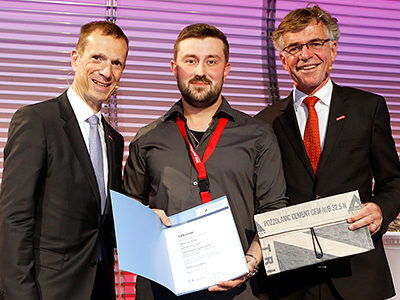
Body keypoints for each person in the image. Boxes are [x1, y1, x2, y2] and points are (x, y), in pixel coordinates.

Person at [123, 23, 287, 300]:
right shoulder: (147, 138)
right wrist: (142, 218)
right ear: (174, 68)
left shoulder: (257, 135)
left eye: (211, 61)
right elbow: (129, 207)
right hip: (161, 290)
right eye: (191, 61)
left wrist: (251, 261)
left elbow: (274, 210)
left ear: (226, 68)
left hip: (238, 290)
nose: (200, 71)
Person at [255, 5, 400, 300]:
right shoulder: (263, 123)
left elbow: (394, 182)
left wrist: (381, 210)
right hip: (290, 283)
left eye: (315, 43)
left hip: (358, 276)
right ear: (283, 59)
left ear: (332, 50)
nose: (305, 54)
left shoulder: (368, 108)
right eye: (294, 47)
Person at [0, 21, 128, 300]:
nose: (107, 72)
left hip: (101, 290)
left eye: (117, 63)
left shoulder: (113, 140)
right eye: (97, 58)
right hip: (47, 291)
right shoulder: (36, 121)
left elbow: (103, 222)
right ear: (75, 58)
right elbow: (13, 220)